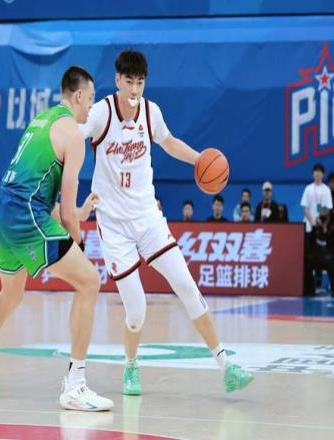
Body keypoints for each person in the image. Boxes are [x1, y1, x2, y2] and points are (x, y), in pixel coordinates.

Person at [80, 50, 252, 396]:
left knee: (186, 285)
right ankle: (131, 365)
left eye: (140, 82)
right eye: (129, 81)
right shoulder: (102, 113)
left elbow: (169, 142)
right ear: (117, 80)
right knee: (137, 312)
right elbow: (75, 133)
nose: (134, 88)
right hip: (113, 226)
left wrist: (199, 159)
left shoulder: (151, 112)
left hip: (147, 218)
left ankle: (226, 366)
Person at [0, 66, 113, 412]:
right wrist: (78, 241)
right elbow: (64, 214)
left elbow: (39, 195)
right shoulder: (74, 136)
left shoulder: (42, 120)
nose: (91, 105)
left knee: (11, 295)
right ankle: (75, 386)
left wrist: (78, 213)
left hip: (5, 210)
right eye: (91, 98)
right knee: (89, 281)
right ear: (79, 95)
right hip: (24, 216)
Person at [300, 164, 333, 296]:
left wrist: (320, 219)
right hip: (308, 227)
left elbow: (327, 208)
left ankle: (319, 284)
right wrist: (312, 221)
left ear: (323, 174)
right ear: (313, 174)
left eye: (320, 172)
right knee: (307, 258)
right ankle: (308, 286)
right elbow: (305, 207)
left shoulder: (326, 190)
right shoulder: (308, 188)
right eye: (315, 171)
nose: (317, 174)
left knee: (320, 256)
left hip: (320, 228)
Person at [305, 208, 334, 297]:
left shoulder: (333, 228)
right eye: (321, 217)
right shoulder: (316, 228)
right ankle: (310, 288)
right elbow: (310, 240)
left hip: (328, 256)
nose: (322, 219)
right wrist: (314, 226)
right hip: (316, 256)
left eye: (325, 218)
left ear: (328, 218)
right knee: (307, 262)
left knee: (330, 263)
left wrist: (325, 228)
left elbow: (332, 244)